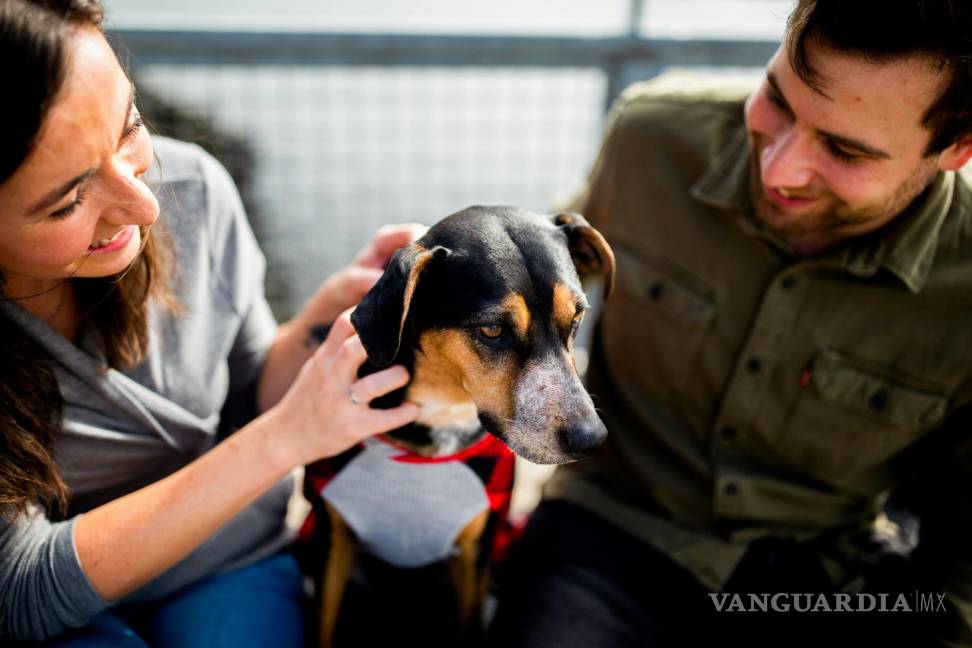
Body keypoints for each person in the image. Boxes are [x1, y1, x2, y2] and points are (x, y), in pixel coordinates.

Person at [490, 1, 972, 647]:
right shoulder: (649, 137)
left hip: (819, 580)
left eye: (844, 150)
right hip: (610, 529)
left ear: (957, 149)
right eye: (777, 98)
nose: (780, 170)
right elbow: (542, 278)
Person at [0, 0, 421, 644]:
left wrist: (321, 318)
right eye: (69, 202)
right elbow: (19, 592)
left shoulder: (194, 189)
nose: (144, 206)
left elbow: (248, 391)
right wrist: (283, 441)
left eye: (129, 128)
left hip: (227, 563)